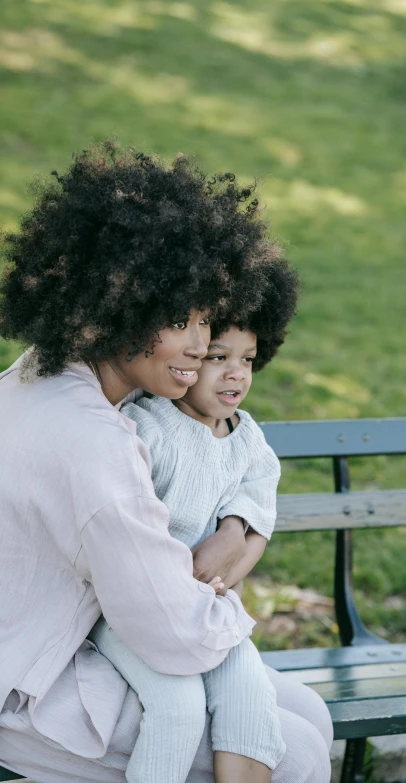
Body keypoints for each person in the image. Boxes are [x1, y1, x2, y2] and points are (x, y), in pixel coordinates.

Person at [0, 144, 333, 782]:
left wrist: (237, 533)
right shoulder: (94, 436)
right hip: (13, 689)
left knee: (305, 709)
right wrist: (230, 598)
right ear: (114, 304)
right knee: (297, 752)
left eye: (205, 319)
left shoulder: (40, 375)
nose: (200, 347)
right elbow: (170, 630)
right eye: (178, 320)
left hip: (19, 653)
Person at [91, 261, 296, 783]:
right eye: (218, 358)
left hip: (207, 604)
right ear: (188, 363)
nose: (236, 373)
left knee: (250, 696)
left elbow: (256, 527)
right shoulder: (147, 427)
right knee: (175, 708)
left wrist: (229, 540)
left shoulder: (249, 442)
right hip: (127, 610)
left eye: (248, 360)